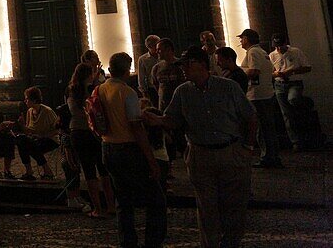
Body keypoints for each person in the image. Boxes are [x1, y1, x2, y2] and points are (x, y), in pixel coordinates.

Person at [146, 46, 258, 248]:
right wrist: (158, 120)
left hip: (230, 150)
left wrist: (247, 148)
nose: (183, 70)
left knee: (234, 205)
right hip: (200, 153)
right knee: (206, 207)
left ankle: (231, 243)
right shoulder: (183, 91)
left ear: (201, 65)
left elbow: (250, 117)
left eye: (187, 66)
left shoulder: (228, 87)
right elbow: (173, 119)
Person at [97, 52, 166, 248]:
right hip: (128, 149)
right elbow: (136, 127)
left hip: (107, 147)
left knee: (123, 200)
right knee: (156, 199)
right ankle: (153, 242)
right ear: (128, 70)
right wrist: (151, 159)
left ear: (110, 69)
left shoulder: (100, 90)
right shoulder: (127, 93)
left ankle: (127, 241)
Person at [67, 62, 113, 217]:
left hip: (79, 132)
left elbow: (73, 112)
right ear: (90, 75)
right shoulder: (96, 90)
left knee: (89, 171)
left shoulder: (72, 91)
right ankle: (111, 205)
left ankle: (98, 208)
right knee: (104, 169)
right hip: (96, 133)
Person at [237, 28, 281, 168]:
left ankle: (267, 157)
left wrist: (238, 70)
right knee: (268, 126)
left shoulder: (253, 52)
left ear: (247, 39)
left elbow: (254, 71)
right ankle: (272, 155)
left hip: (257, 95)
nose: (240, 41)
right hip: (266, 93)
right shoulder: (262, 52)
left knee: (262, 127)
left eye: (242, 38)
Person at [270, 33, 312, 151]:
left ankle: (303, 107)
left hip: (294, 82)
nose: (278, 49)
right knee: (286, 115)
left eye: (280, 46)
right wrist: (276, 74)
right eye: (276, 46)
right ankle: (296, 142)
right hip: (279, 84)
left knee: (293, 99)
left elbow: (307, 67)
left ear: (285, 43)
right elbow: (270, 72)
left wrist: (292, 71)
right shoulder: (272, 55)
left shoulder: (296, 52)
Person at [15, 86, 59, 180]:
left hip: (50, 140)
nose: (25, 101)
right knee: (20, 140)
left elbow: (57, 130)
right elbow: (29, 131)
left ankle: (46, 170)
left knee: (30, 145)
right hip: (36, 140)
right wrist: (22, 125)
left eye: (27, 99)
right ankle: (30, 171)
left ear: (34, 100)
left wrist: (42, 135)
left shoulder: (47, 111)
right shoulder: (30, 111)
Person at [150, 39, 184, 112]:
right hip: (164, 106)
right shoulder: (156, 68)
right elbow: (156, 85)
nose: (157, 52)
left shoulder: (181, 65)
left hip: (180, 105)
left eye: (159, 49)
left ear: (168, 49)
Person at [136, 35, 161, 105]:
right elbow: (141, 77)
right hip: (152, 89)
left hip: (164, 85)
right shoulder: (143, 59)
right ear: (149, 47)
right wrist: (144, 92)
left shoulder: (162, 55)